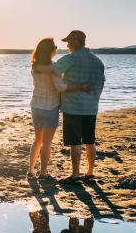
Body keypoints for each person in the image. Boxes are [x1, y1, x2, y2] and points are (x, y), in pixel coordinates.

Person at [28, 38, 90, 180]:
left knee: (37, 140)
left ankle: (31, 171)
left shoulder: (35, 66)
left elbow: (43, 70)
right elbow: (61, 87)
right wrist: (80, 86)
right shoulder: (53, 69)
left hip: (36, 106)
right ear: (50, 50)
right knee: (47, 142)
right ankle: (43, 173)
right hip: (51, 107)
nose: (56, 48)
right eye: (55, 46)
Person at [52, 30, 105, 182]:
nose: (67, 45)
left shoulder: (71, 58)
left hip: (72, 106)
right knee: (90, 139)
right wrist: (94, 98)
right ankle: (89, 172)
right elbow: (101, 83)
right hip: (91, 106)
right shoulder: (97, 61)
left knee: (75, 140)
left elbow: (53, 70)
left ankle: (75, 174)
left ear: (75, 42)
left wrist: (64, 85)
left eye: (68, 42)